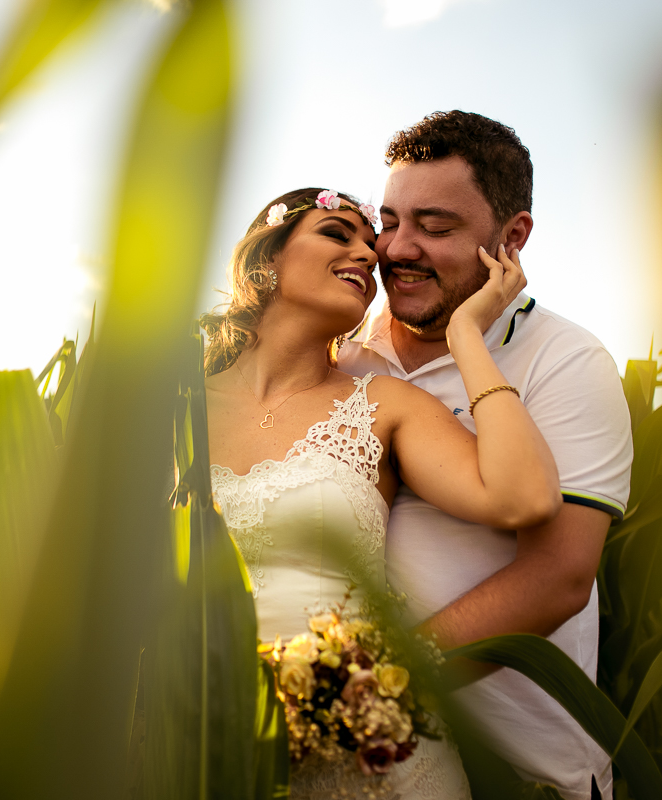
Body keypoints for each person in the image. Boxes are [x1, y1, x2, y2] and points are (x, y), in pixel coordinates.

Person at [201, 186, 561, 799]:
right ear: (266, 259)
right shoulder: (169, 405)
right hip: (193, 738)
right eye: (337, 234)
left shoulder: (382, 405)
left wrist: (467, 336)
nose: (368, 256)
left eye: (371, 247)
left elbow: (522, 497)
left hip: (365, 749)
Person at [338, 111, 633, 800]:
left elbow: (559, 575)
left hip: (525, 774)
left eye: (435, 227)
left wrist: (382, 683)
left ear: (513, 236)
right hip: (364, 768)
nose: (397, 249)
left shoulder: (565, 360)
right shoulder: (343, 357)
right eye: (390, 221)